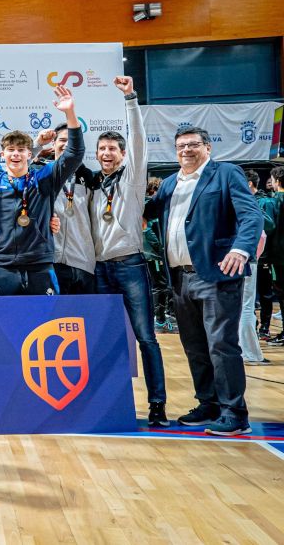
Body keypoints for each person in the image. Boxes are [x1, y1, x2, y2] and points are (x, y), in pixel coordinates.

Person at [144, 126, 263, 436]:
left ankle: (234, 412)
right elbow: (146, 213)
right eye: (181, 145)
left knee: (221, 345)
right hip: (180, 278)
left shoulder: (226, 174)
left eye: (193, 145)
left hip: (216, 274)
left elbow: (251, 215)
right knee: (195, 347)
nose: (186, 150)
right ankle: (208, 403)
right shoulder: (169, 183)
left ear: (207, 148)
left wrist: (241, 248)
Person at [87, 76, 168, 426]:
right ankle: (111, 404)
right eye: (101, 149)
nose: (106, 154)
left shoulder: (132, 180)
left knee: (146, 338)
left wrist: (131, 99)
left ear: (122, 155)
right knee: (106, 340)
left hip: (131, 266)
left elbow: (137, 140)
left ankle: (157, 405)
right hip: (100, 269)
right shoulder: (92, 186)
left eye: (112, 150)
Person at [0, 84, 83, 296]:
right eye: (11, 150)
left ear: (31, 154)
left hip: (41, 265)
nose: (16, 154)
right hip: (3, 266)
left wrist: (70, 113)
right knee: (3, 326)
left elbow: (74, 153)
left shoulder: (44, 178)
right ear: (2, 155)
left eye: (21, 150)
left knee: (45, 325)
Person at [42, 122, 98, 294]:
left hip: (83, 262)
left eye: (72, 141)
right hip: (50, 262)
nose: (67, 144)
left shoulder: (90, 177)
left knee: (83, 319)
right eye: (63, 140)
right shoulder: (41, 173)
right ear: (53, 144)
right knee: (51, 320)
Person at [239, 170, 271, 365]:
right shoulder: (250, 203)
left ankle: (243, 350)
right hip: (246, 260)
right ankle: (250, 352)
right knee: (245, 307)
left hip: (231, 260)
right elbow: (265, 228)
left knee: (238, 307)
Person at [144, 177, 176, 333]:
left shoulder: (157, 206)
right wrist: (160, 247)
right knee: (159, 286)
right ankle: (160, 319)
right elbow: (147, 230)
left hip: (152, 254)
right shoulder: (149, 206)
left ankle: (160, 317)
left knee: (158, 286)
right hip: (154, 255)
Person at [263, 166, 284, 344]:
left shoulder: (273, 202)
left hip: (278, 257)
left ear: (276, 182)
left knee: (281, 293)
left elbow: (269, 228)